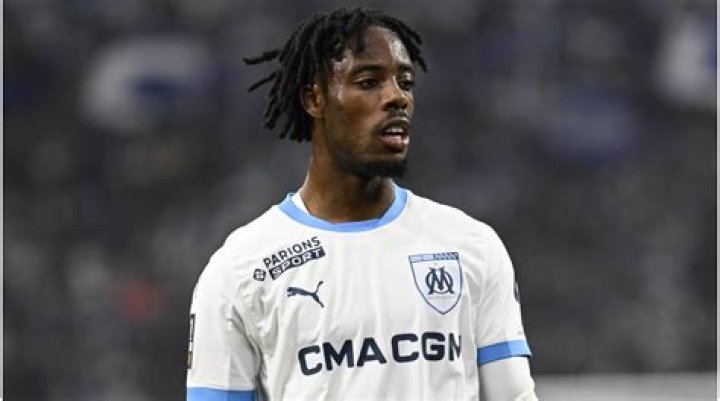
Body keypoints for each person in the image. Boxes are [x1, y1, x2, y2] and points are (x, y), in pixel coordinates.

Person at [186, 7, 536, 401]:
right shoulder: (241, 268)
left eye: (405, 82)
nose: (397, 97)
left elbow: (512, 396)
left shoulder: (470, 245)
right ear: (315, 99)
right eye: (369, 82)